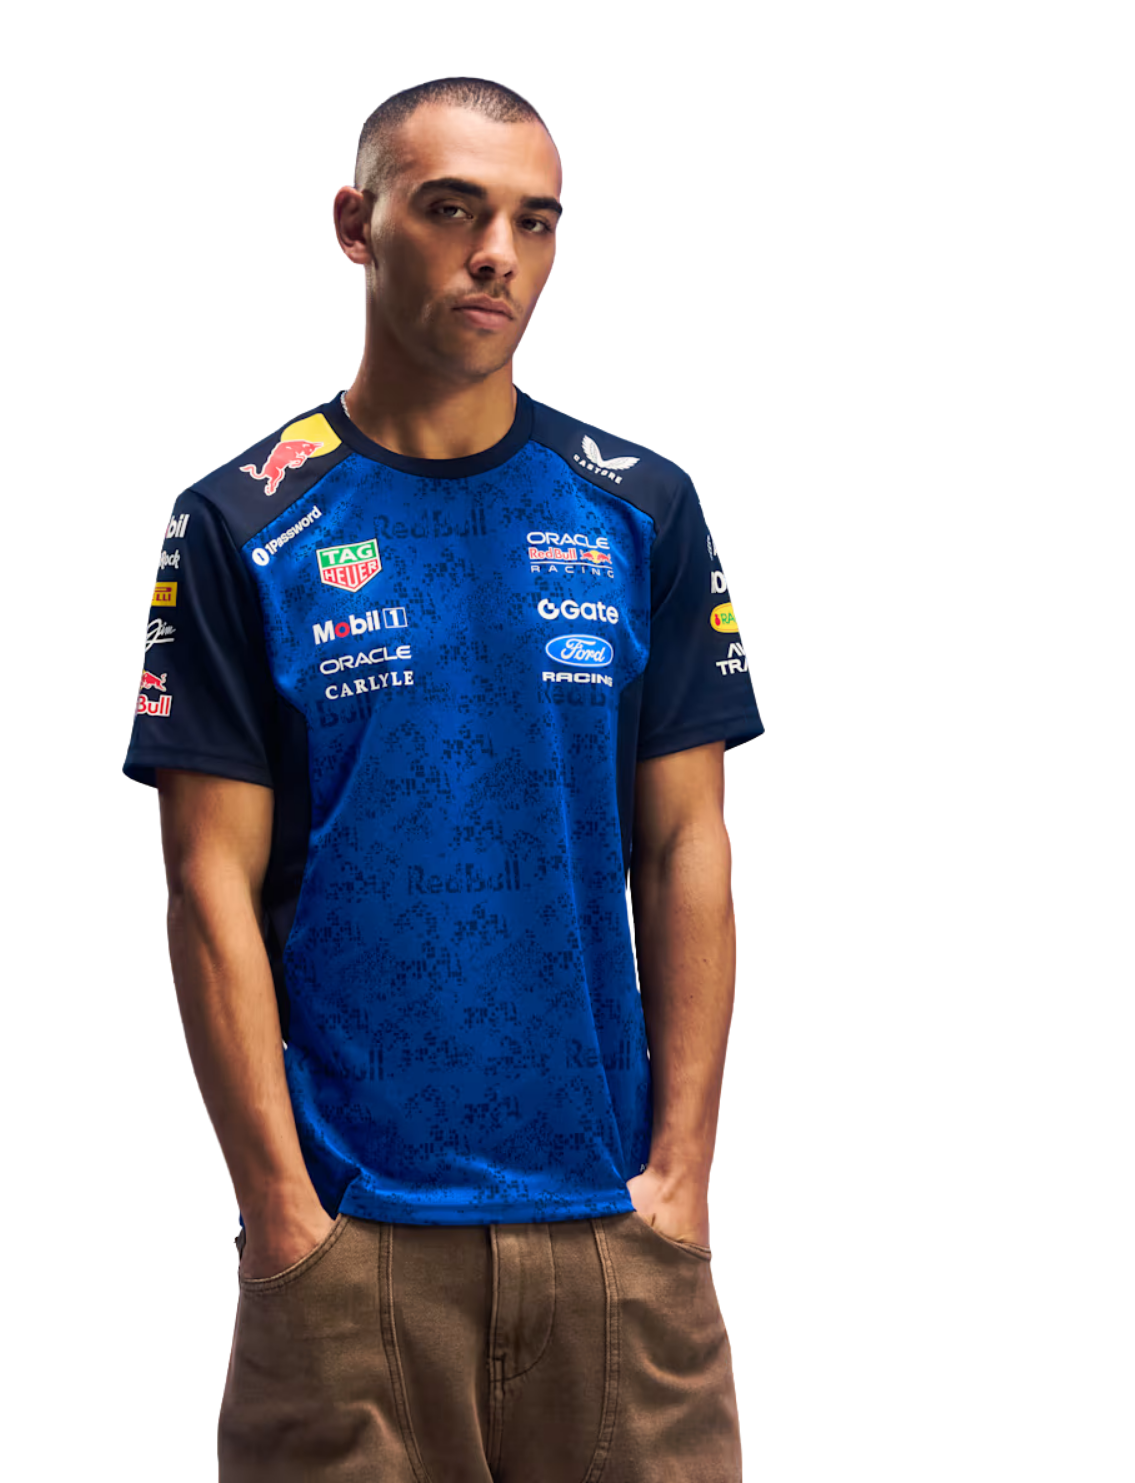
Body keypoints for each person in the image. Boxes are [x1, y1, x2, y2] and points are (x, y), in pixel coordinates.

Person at [123, 74, 760, 1483]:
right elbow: (204, 883)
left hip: (618, 1237)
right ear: (356, 226)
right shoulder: (240, 521)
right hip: (347, 1250)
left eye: (536, 222)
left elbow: (690, 847)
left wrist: (682, 1178)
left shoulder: (641, 505)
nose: (497, 256)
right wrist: (282, 1216)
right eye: (453, 210)